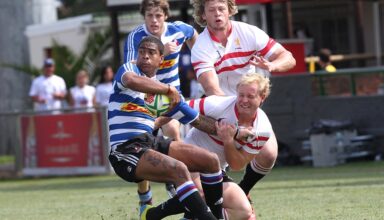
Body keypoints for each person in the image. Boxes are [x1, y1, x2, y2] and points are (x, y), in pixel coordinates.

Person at [109, 36, 233, 219]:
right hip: (126, 149)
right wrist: (168, 89)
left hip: (150, 142)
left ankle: (152, 215)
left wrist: (234, 132)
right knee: (180, 170)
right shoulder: (130, 69)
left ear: (161, 59)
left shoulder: (168, 97)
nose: (144, 56)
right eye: (142, 51)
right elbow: (130, 81)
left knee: (211, 161)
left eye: (151, 53)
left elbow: (198, 121)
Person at [191, 0, 296, 202]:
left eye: (221, 8)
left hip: (247, 105)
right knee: (206, 173)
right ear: (202, 15)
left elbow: (288, 57)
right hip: (217, 107)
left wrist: (271, 65)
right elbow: (212, 88)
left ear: (230, 10)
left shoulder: (249, 32)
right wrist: (232, 123)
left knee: (269, 154)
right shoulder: (201, 47)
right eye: (211, 10)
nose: (217, 14)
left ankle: (243, 190)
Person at [123, 0, 199, 209]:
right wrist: (161, 52)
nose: (154, 20)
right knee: (141, 148)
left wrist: (199, 60)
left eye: (158, 15)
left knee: (174, 130)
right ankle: (144, 196)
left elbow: (193, 34)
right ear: (144, 17)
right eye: (149, 16)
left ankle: (176, 180)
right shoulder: (136, 37)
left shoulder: (178, 30)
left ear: (166, 15)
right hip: (144, 97)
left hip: (171, 98)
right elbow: (132, 72)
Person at [182, 73, 272, 219]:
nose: (244, 100)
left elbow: (237, 165)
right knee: (201, 195)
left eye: (250, 96)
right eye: (241, 95)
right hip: (188, 159)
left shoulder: (262, 129)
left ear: (262, 98)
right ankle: (154, 213)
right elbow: (181, 108)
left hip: (214, 171)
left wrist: (228, 141)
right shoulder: (217, 104)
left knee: (244, 210)